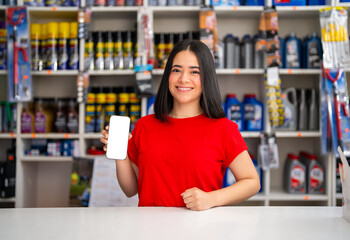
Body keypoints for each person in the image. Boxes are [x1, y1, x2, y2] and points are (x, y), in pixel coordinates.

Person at [101, 39, 260, 211]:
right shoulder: (144, 126)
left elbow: (252, 182)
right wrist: (120, 155)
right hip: (150, 231)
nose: (184, 79)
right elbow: (130, 189)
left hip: (202, 231)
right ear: (167, 76)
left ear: (206, 78)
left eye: (194, 72)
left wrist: (212, 198)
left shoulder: (224, 129)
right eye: (176, 70)